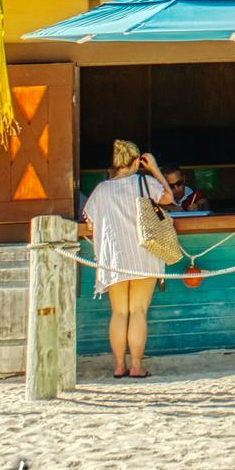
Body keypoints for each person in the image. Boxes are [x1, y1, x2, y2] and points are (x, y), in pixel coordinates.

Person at [78, 140, 175, 378]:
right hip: (144, 254)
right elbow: (169, 198)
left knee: (119, 312)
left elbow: (90, 221)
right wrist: (154, 169)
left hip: (115, 257)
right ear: (136, 161)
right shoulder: (145, 182)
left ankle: (119, 366)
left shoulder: (101, 190)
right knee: (138, 311)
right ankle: (136, 366)